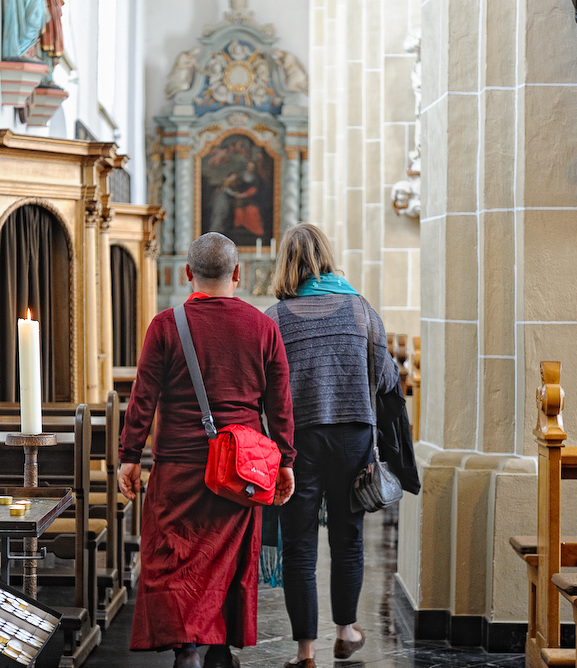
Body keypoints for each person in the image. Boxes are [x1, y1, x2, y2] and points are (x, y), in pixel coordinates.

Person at [118, 232, 297, 668]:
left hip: (177, 465)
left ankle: (188, 648)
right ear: (238, 273)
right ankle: (219, 649)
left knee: (176, 557)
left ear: (187, 274)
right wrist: (287, 460)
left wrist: (129, 455)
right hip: (241, 469)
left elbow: (144, 397)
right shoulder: (263, 327)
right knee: (229, 560)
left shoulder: (165, 325)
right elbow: (280, 402)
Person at [264, 223, 398, 668]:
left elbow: (262, 386)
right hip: (353, 436)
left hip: (297, 441)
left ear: (286, 263)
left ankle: (305, 651)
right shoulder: (359, 309)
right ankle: (347, 631)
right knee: (348, 537)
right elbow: (386, 376)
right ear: (326, 256)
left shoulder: (275, 319)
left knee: (299, 544)